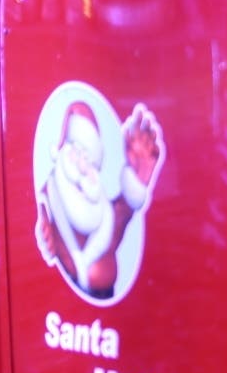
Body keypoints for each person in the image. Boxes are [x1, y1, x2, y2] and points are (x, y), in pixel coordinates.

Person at [35, 100, 164, 299]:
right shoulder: (50, 196)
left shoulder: (100, 210)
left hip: (109, 303)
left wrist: (140, 174)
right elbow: (33, 220)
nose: (81, 164)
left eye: (88, 157)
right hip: (61, 302)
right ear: (61, 152)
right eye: (76, 151)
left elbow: (117, 222)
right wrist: (44, 236)